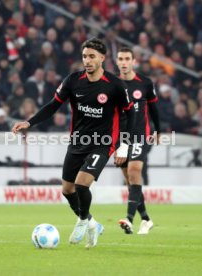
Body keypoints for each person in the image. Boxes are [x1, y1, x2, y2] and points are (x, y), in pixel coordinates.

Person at [12, 38, 135, 248]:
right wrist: (29, 122)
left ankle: (82, 220)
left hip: (103, 142)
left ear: (102, 58)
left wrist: (124, 145)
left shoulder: (114, 85)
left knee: (81, 184)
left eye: (92, 57)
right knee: (67, 190)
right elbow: (53, 106)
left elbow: (130, 114)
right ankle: (92, 223)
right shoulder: (73, 80)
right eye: (85, 56)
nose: (87, 60)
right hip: (78, 141)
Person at [115, 47, 161, 235]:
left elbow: (154, 108)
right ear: (117, 61)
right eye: (121, 59)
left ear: (133, 61)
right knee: (129, 179)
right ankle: (146, 219)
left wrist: (158, 130)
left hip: (141, 135)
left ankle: (128, 219)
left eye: (127, 59)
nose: (124, 62)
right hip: (120, 137)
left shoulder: (145, 83)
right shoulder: (112, 84)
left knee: (135, 172)